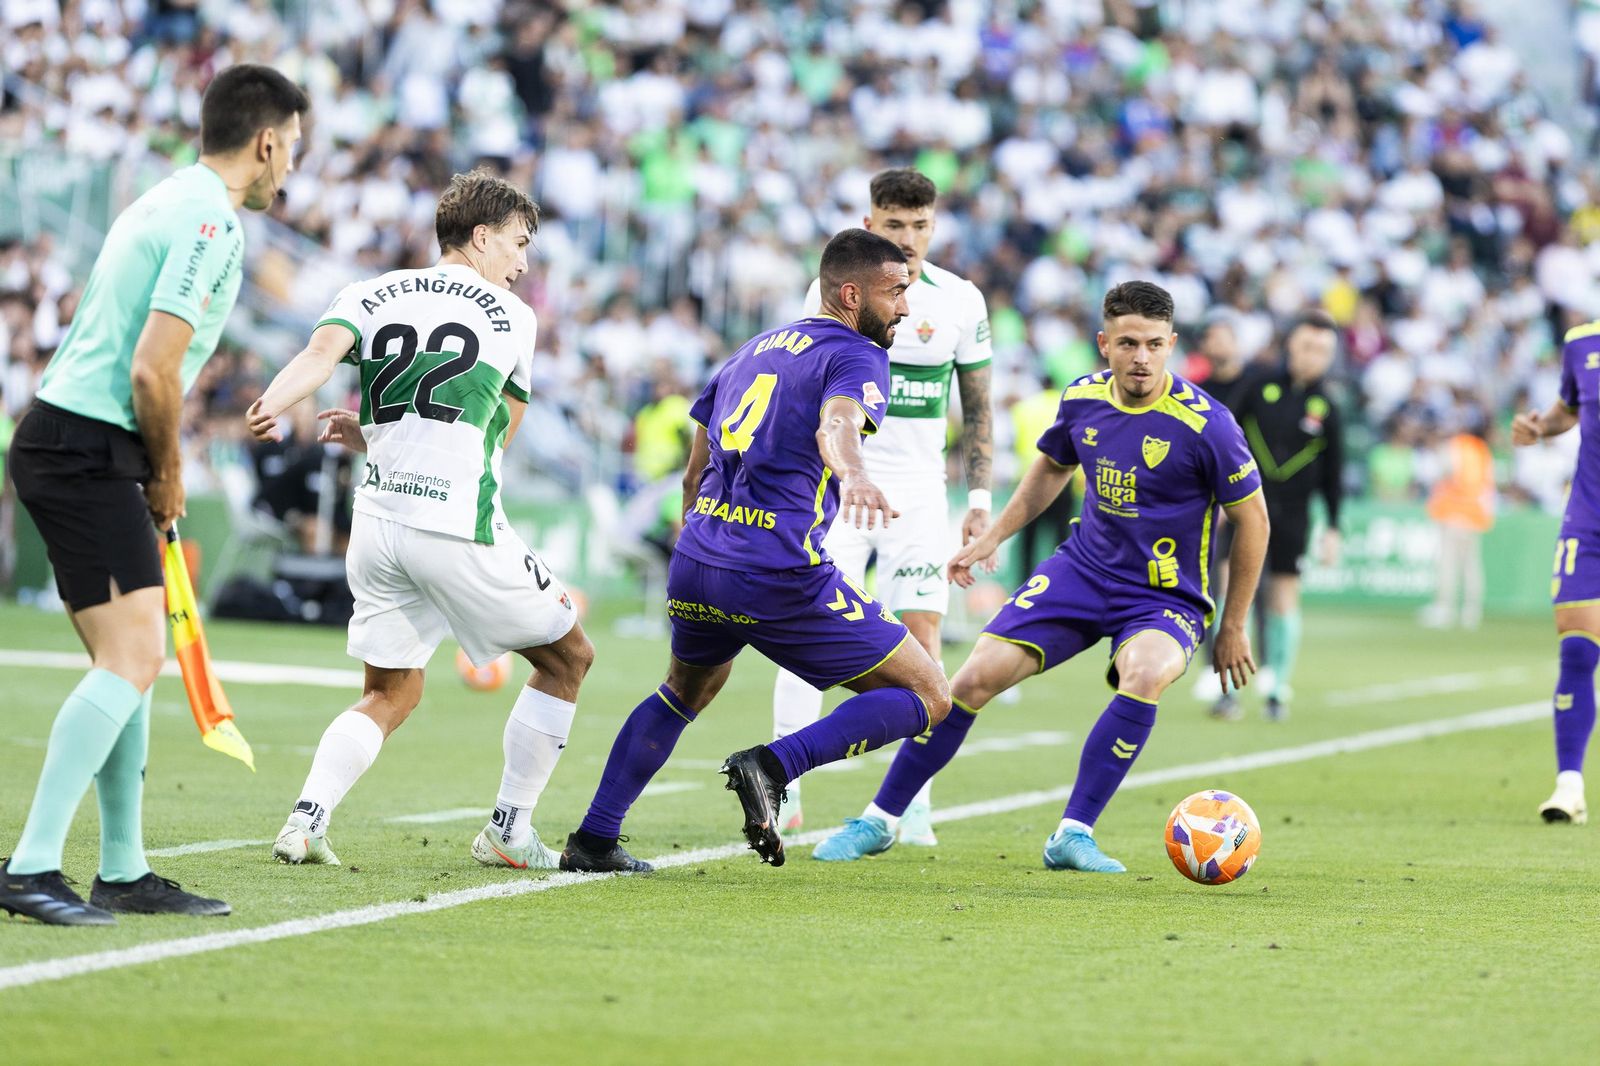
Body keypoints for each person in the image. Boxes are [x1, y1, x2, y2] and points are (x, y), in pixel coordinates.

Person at [812, 281, 1269, 872]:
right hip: (1082, 571)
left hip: (1163, 595)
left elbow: (1252, 519)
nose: (1141, 358)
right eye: (1128, 343)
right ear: (1105, 343)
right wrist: (993, 537)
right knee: (969, 681)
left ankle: (1073, 834)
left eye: (1155, 344)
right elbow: (1052, 466)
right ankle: (880, 819)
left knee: (1146, 671)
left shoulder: (1209, 424)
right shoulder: (1081, 398)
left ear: (1172, 345)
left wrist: (1233, 625)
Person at [0, 64, 307, 925]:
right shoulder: (212, 219)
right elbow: (152, 368)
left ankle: (125, 870)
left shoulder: (169, 197)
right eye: (293, 151)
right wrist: (169, 473)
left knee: (127, 665)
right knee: (132, 660)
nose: (291, 170)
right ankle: (28, 867)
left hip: (74, 442)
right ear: (267, 141)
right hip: (87, 448)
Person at [560, 228, 952, 874]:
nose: (905, 309)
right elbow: (838, 423)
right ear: (851, 296)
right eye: (896, 293)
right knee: (931, 694)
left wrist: (701, 540)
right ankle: (774, 765)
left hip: (699, 558)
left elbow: (695, 466)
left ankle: (594, 838)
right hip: (777, 572)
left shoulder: (753, 349)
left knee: (683, 691)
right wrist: (852, 473)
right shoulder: (856, 354)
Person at [248, 169, 594, 871]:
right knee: (568, 658)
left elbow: (320, 356)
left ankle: (306, 820)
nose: (523, 264)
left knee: (389, 692)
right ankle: (508, 830)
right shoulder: (512, 316)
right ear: (482, 236)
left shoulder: (370, 290)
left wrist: (272, 404)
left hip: (376, 523)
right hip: (454, 524)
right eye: (519, 244)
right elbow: (498, 434)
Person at [771, 169, 993, 842]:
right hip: (838, 490)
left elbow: (978, 407)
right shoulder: (830, 291)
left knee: (922, 646)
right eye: (895, 225)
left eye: (921, 225)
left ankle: (909, 804)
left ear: (935, 226)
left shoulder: (960, 300)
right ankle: (783, 792)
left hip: (921, 498)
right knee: (795, 636)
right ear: (871, 225)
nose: (910, 238)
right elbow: (803, 378)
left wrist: (979, 497)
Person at [1228, 311, 1344, 721]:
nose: (1314, 356)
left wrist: (1333, 527)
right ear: (1290, 344)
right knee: (1230, 590)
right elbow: (1223, 439)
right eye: (1308, 346)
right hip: (1242, 511)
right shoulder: (1257, 387)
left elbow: (1333, 474)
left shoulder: (1327, 407)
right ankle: (1226, 686)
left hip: (1294, 516)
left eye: (1324, 351)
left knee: (1283, 598)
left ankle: (1277, 688)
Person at [1511, 319, 1600, 825]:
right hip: (1589, 518)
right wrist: (1541, 426)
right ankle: (1570, 785)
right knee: (1576, 647)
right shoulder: (1581, 343)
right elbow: (1569, 409)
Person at [1421, 426, 1495, 630]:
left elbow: (1444, 472)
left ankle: (1444, 608)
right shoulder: (1481, 450)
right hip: (1474, 514)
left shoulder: (1455, 447)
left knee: (1448, 562)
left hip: (1453, 512)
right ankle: (1471, 611)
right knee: (1471, 565)